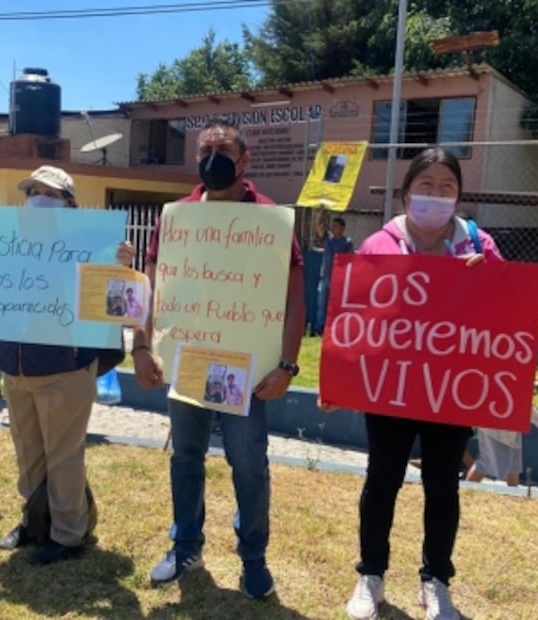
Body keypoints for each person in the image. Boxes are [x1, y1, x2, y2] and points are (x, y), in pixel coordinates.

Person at [321, 148, 503, 620]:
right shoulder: (378, 246)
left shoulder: (481, 248)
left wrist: (487, 283)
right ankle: (371, 576)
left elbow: (506, 316)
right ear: (406, 194)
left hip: (451, 389)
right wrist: (338, 380)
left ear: (460, 195)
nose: (436, 195)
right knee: (382, 479)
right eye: (426, 185)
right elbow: (352, 318)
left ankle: (436, 583)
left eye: (447, 187)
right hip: (390, 386)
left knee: (443, 485)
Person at [132, 118, 305, 599]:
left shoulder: (271, 219)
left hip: (246, 369)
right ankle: (186, 545)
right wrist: (141, 345)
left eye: (223, 148)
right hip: (187, 360)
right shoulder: (177, 216)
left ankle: (253, 557)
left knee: (248, 463)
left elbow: (293, 298)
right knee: (185, 457)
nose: (213, 157)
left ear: (244, 159)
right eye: (205, 149)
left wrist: (287, 365)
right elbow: (152, 284)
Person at [0, 164, 136, 565]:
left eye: (49, 193)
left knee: (63, 455)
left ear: (69, 203)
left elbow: (117, 297)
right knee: (28, 453)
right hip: (15, 367)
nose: (38, 197)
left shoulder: (92, 244)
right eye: (32, 191)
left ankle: (68, 535)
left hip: (65, 367)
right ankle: (36, 522)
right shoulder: (3, 241)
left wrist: (122, 264)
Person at [465, 406, 538, 487]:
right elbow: (526, 406)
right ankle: (467, 488)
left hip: (506, 423)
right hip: (498, 423)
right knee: (485, 462)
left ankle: (513, 493)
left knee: (513, 464)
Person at [314, 210, 355, 336]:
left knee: (335, 305)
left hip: (337, 278)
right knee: (321, 305)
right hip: (324, 276)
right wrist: (321, 210)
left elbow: (350, 259)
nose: (332, 228)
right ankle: (318, 329)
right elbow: (318, 225)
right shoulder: (328, 239)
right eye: (332, 225)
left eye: (335, 226)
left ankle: (333, 329)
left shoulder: (347, 242)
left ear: (342, 228)